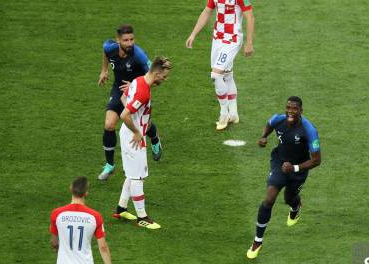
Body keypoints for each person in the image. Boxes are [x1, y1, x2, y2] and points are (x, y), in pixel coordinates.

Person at [247, 96, 321, 259]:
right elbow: (269, 124)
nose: (290, 111)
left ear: (301, 111)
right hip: (279, 163)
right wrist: (264, 136)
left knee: (289, 198)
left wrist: (294, 168)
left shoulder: (309, 130)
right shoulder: (278, 119)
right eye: (288, 107)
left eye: (294, 109)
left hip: (298, 169)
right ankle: (258, 240)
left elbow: (317, 160)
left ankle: (296, 206)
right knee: (269, 199)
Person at [113, 56, 172, 230]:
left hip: (130, 134)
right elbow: (124, 115)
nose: (165, 79)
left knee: (132, 174)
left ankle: (121, 208)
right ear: (156, 73)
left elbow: (124, 100)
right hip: (133, 137)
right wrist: (138, 132)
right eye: (164, 76)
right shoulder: (143, 91)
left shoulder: (138, 81)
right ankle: (142, 217)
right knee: (138, 177)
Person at [98, 24, 163, 181]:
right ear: (118, 40)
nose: (129, 43)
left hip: (137, 91)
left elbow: (155, 74)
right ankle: (110, 165)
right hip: (118, 89)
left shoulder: (139, 55)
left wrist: (135, 84)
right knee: (109, 125)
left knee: (140, 125)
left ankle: (154, 139)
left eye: (132, 39)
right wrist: (104, 70)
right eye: (125, 40)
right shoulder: (110, 47)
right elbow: (105, 53)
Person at [185, 0, 255, 131]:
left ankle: (224, 114)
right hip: (217, 39)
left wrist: (249, 42)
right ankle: (233, 114)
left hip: (232, 39)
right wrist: (193, 34)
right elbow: (207, 11)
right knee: (227, 74)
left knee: (216, 75)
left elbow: (250, 16)